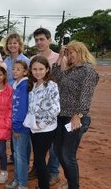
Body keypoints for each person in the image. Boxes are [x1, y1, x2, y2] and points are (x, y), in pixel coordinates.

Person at [53, 41, 99, 189]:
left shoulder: (88, 70)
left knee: (67, 154)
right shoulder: (70, 69)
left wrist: (77, 115)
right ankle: (70, 181)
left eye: (71, 52)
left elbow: (86, 95)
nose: (69, 55)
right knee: (58, 151)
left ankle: (73, 186)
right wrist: (60, 57)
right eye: (68, 52)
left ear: (80, 51)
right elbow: (55, 77)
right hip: (61, 117)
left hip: (75, 118)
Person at [29, 27, 66, 185]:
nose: (39, 42)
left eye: (42, 39)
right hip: (35, 124)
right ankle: (40, 170)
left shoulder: (60, 58)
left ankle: (52, 173)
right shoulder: (34, 60)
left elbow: (63, 83)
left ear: (49, 40)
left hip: (53, 115)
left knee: (53, 150)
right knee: (38, 155)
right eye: (36, 40)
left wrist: (41, 123)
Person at [23, 55, 60, 189]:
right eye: (34, 69)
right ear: (30, 70)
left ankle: (43, 186)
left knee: (38, 160)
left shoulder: (51, 85)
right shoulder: (32, 85)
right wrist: (32, 123)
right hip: (34, 128)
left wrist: (41, 124)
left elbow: (55, 109)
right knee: (39, 159)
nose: (37, 72)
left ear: (47, 69)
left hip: (46, 129)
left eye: (41, 69)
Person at [3, 33, 30, 165]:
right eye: (10, 43)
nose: (12, 45)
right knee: (11, 126)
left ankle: (20, 158)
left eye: (15, 43)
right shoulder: (5, 61)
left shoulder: (26, 60)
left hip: (20, 98)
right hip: (8, 98)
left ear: (19, 45)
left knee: (19, 127)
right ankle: (13, 156)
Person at [5, 60, 30, 189]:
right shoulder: (16, 85)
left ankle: (22, 183)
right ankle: (17, 179)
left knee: (20, 155)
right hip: (16, 125)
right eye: (13, 69)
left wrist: (16, 127)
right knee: (16, 154)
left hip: (21, 128)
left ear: (25, 72)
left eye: (18, 69)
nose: (14, 71)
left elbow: (22, 109)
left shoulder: (24, 86)